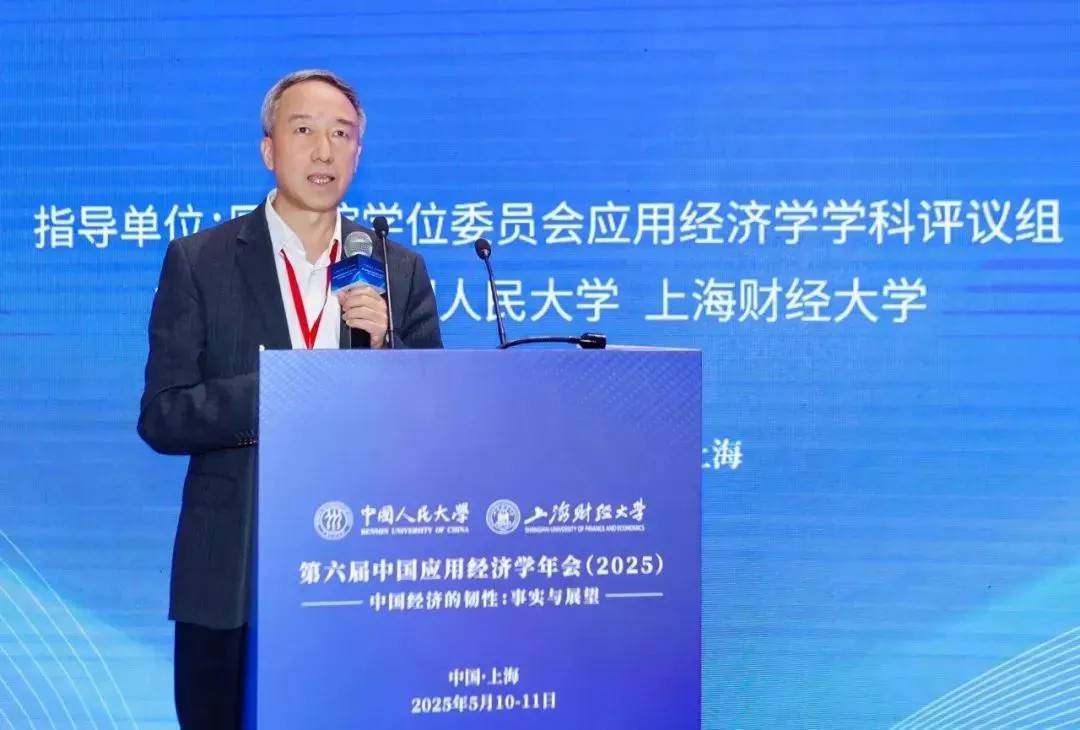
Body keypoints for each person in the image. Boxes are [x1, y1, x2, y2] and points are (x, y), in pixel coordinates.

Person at [136, 69, 443, 729]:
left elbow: (432, 427)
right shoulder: (200, 261)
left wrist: (384, 354)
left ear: (359, 153)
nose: (324, 151)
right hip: (232, 575)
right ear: (268, 149)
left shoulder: (398, 271)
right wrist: (286, 390)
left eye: (342, 135)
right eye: (304, 130)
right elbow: (163, 415)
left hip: (362, 570)